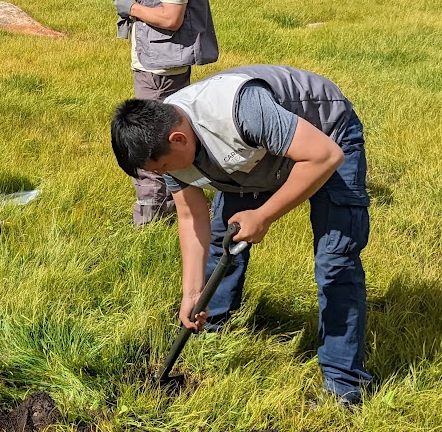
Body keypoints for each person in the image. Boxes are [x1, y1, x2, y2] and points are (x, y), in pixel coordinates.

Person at [110, 64, 373, 406]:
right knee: (225, 240)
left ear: (178, 139)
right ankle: (213, 329)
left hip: (326, 133)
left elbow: (325, 155)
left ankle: (344, 385)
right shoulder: (166, 140)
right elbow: (190, 216)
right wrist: (192, 293)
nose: (164, 176)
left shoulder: (239, 111)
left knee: (335, 259)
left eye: (162, 169)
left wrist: (262, 215)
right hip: (253, 155)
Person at [101, 0, 218, 226]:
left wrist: (131, 8)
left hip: (160, 74)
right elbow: (165, 3)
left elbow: (170, 18)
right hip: (157, 68)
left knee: (147, 145)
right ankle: (169, 212)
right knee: (162, 139)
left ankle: (149, 222)